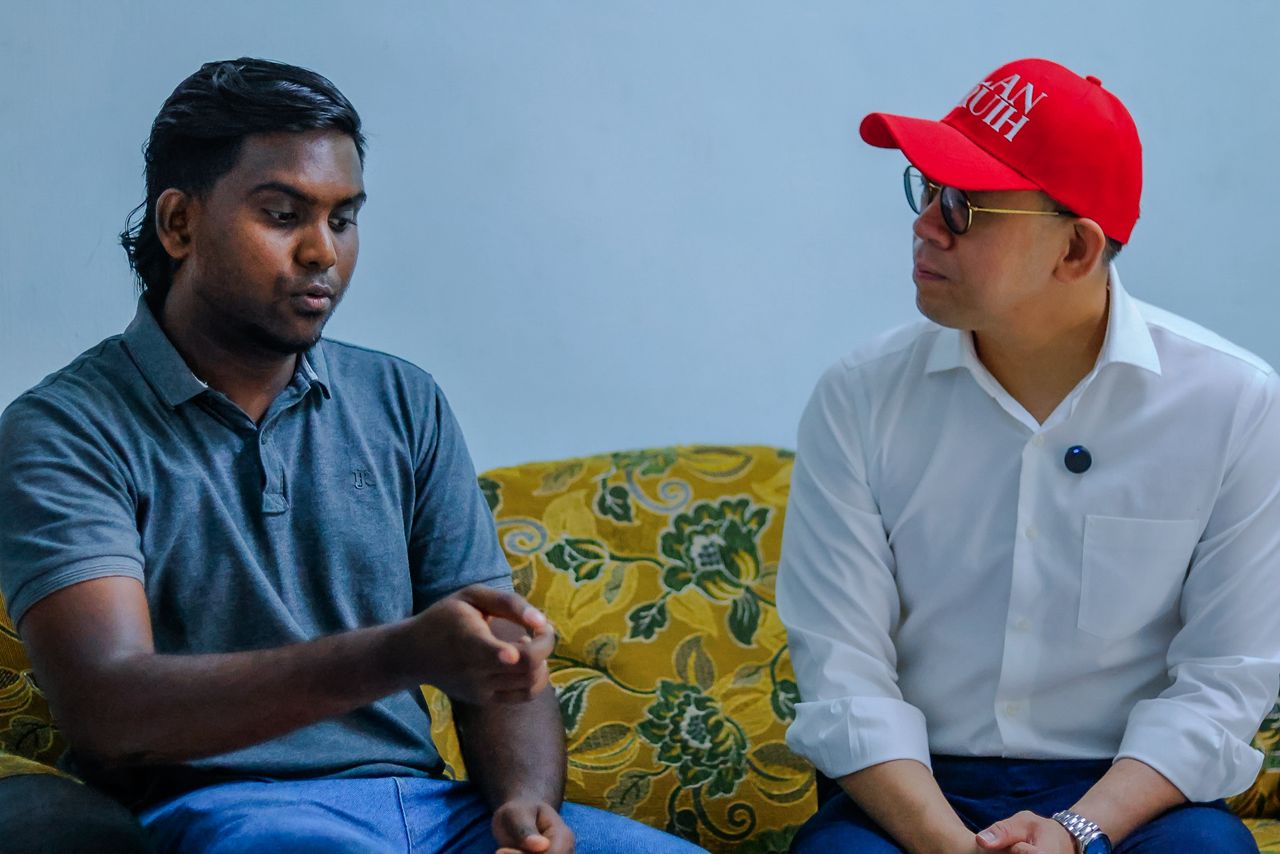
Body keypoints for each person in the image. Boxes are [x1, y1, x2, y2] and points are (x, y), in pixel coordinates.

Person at [0, 57, 702, 854]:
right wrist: (399, 654)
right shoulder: (66, 428)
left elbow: (499, 658)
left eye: (343, 219)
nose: (321, 253)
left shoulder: (404, 400)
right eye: (282, 215)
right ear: (180, 225)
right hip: (234, 813)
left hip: (436, 813)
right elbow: (109, 708)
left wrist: (525, 803)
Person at [777, 57, 1280, 853]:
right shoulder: (860, 396)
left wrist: (1079, 832)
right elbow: (844, 673)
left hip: (1129, 792)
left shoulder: (1235, 405)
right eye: (925, 188)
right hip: (917, 785)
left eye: (963, 204)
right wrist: (949, 846)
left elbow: (1225, 680)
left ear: (1075, 249)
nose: (926, 224)